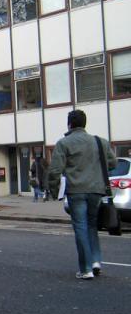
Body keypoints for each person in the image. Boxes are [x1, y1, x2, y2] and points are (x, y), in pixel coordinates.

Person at [48, 110, 116, 280]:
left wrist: (55, 191)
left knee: (81, 227)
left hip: (76, 190)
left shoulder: (64, 143)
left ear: (69, 124)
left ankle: (86, 269)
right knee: (92, 225)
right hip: (96, 190)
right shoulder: (100, 142)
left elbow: (55, 170)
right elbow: (113, 163)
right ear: (84, 123)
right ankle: (96, 261)